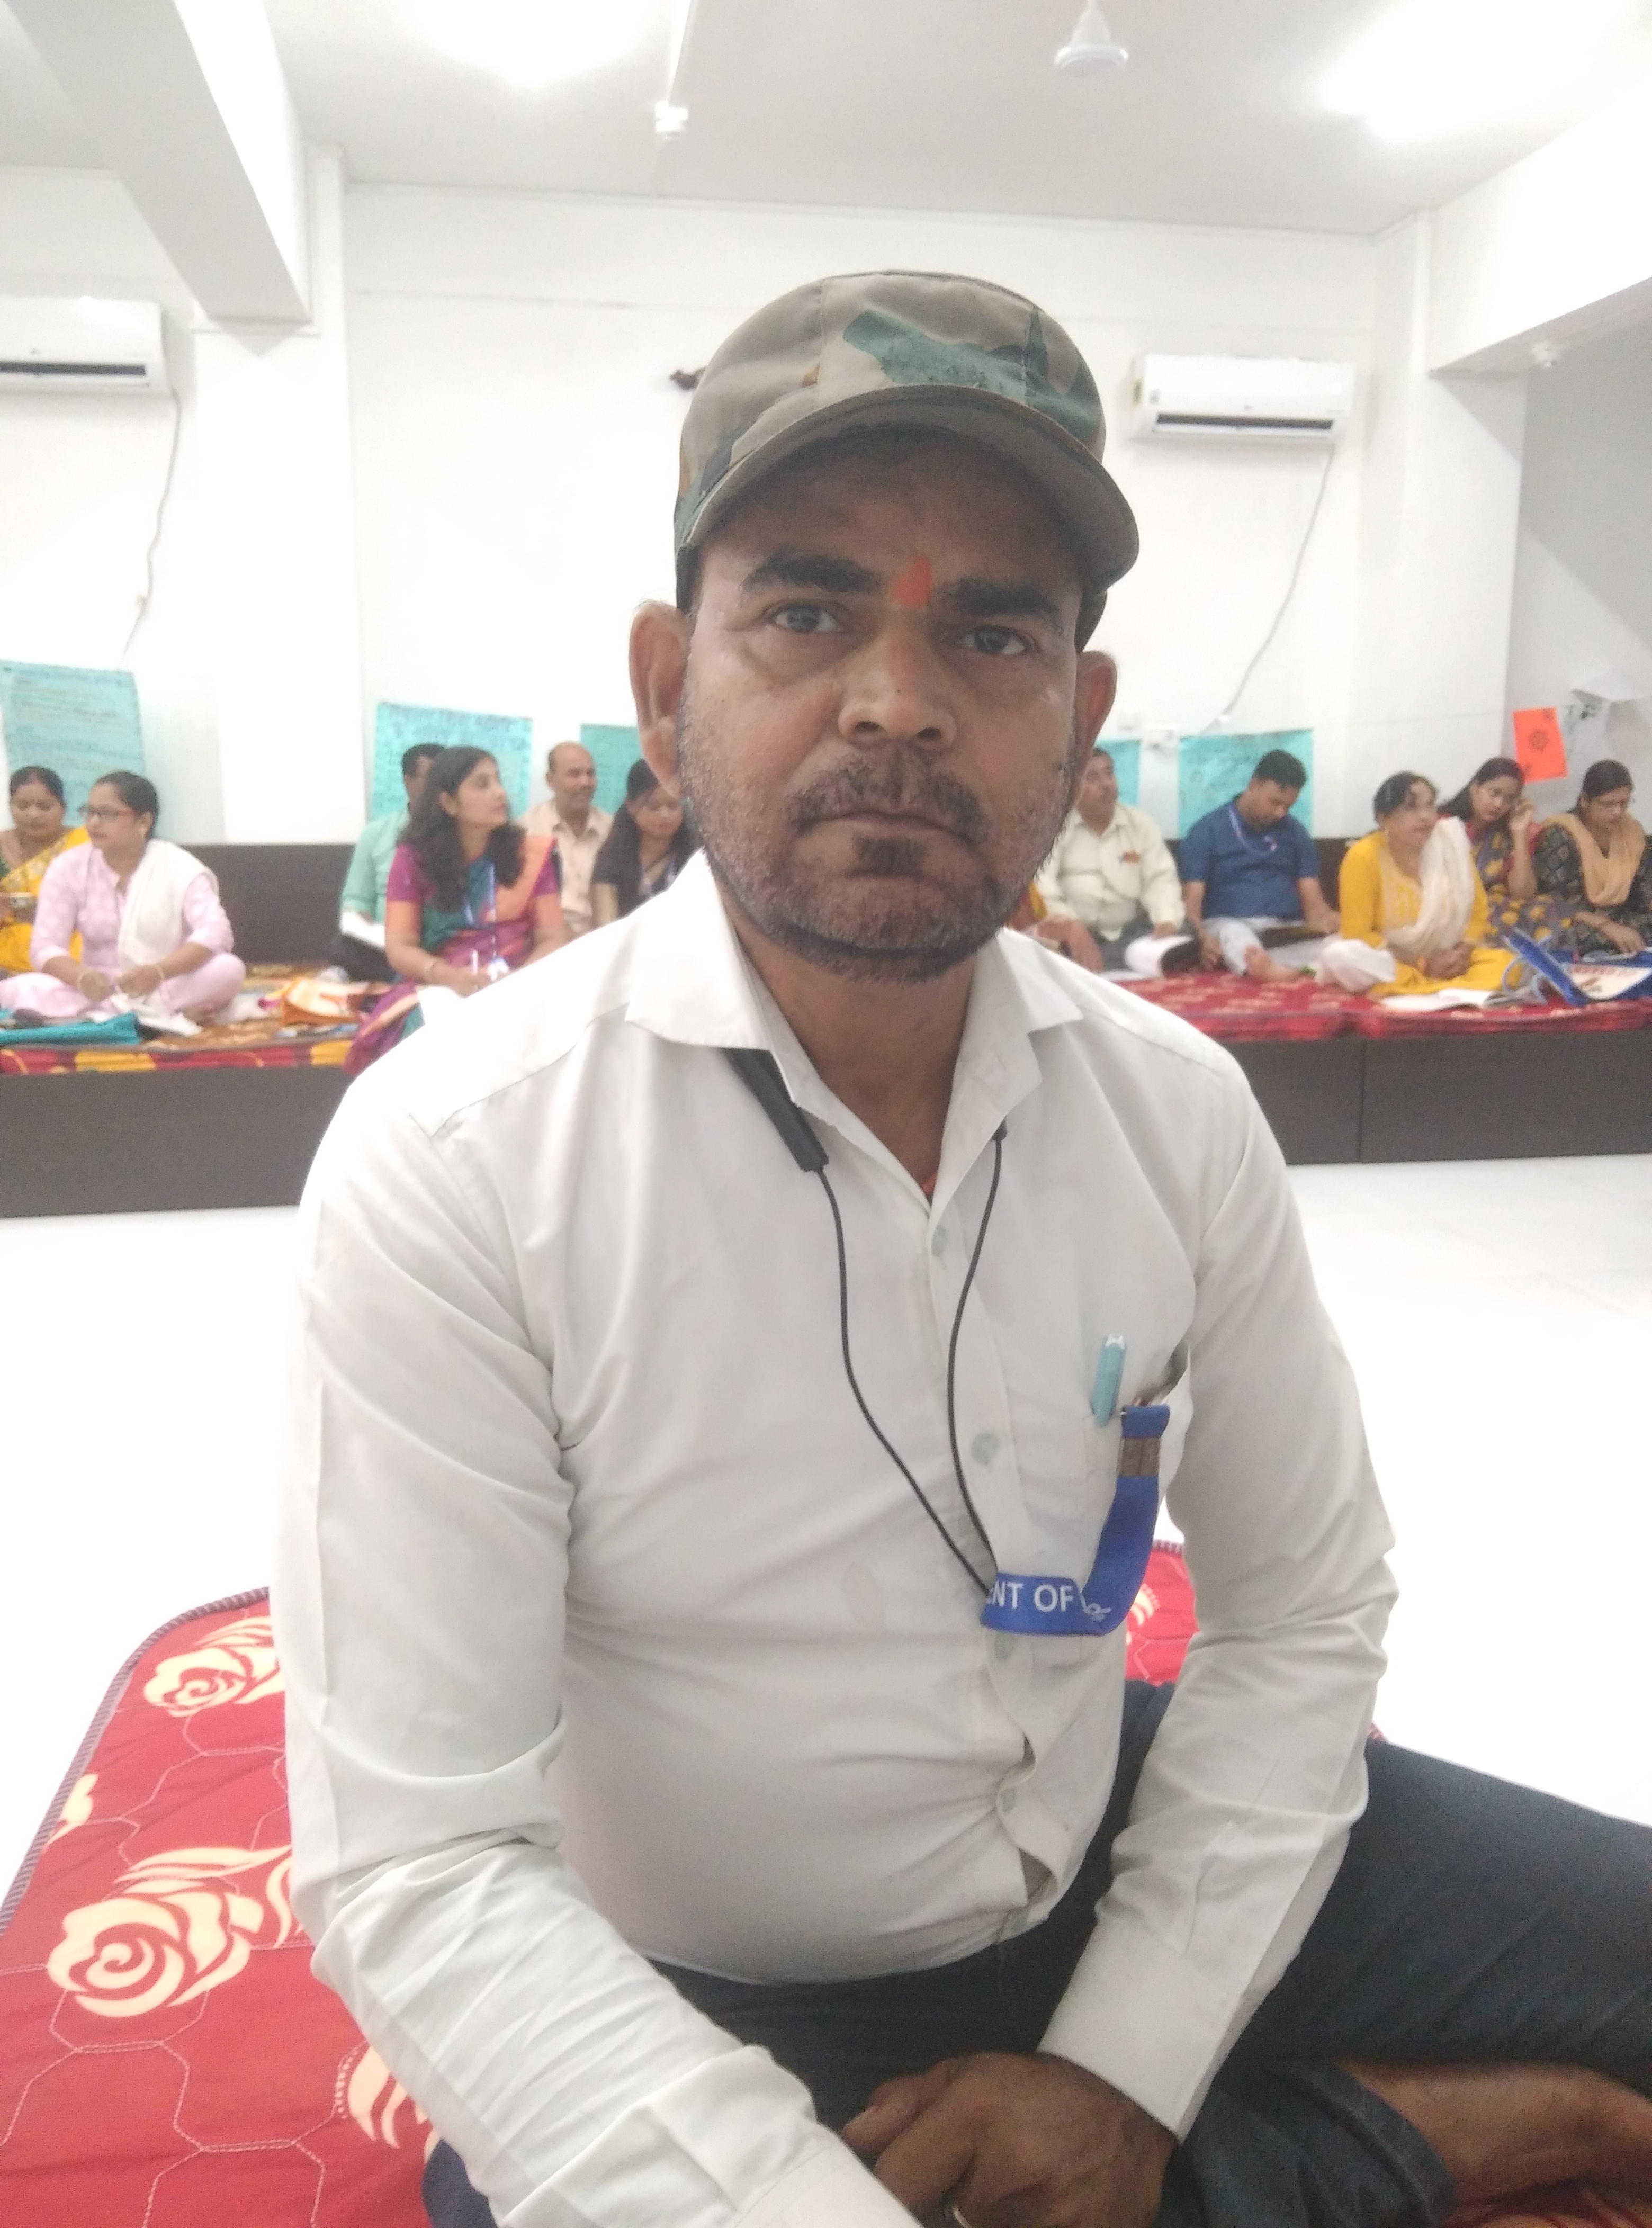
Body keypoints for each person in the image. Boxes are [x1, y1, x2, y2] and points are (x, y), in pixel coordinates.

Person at [276, 272, 1652, 2228]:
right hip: (712, 1971)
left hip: (1102, 1822)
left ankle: (1256, 2130)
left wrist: (1122, 2063)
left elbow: (1300, 1606)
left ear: (1078, 720)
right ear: (666, 682)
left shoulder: (1171, 1111)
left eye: (992, 632)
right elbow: (418, 1857)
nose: (897, 701)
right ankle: (1439, 2134)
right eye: (805, 610)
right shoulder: (464, 1156)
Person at [345, 744, 568, 1073]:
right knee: (424, 1037)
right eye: (482, 784)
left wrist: (519, 981)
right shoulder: (414, 859)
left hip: (521, 983)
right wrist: (451, 977)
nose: (500, 793)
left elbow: (553, 937)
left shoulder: (530, 854)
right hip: (439, 985)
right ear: (448, 803)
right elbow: (400, 947)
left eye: (498, 780)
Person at [0, 770, 245, 1026]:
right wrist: (81, 977)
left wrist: (159, 972)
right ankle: (155, 1017)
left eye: (107, 814)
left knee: (227, 970)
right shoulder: (69, 867)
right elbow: (45, 946)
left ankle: (106, 1018)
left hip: (166, 981)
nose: (93, 823)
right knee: (19, 988)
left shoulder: (179, 868)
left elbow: (216, 932)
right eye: (90, 812)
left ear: (143, 822)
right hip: (96, 989)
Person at [1319, 773, 1517, 999]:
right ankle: (1440, 986)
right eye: (1411, 808)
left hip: (1449, 959)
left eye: (1430, 806)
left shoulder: (1450, 845)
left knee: (1509, 965)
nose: (1425, 816)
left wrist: (1462, 953)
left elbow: (1478, 912)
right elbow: (1358, 933)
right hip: (1395, 959)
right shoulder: (1363, 857)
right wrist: (1423, 963)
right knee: (1341, 955)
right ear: (1384, 819)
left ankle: (1428, 987)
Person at [1177, 749, 1340, 982]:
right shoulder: (1206, 832)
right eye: (1275, 803)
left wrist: (1329, 919)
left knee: (1339, 946)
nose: (1280, 813)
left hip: (1285, 932)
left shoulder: (1296, 833)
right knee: (1233, 934)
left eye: (1288, 807)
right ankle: (1269, 968)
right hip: (1228, 925)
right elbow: (1191, 903)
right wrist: (1201, 938)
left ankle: (1275, 967)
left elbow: (1314, 904)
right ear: (1253, 785)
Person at [1031, 745, 1184, 972]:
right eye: (1092, 778)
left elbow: (1161, 879)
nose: (1106, 785)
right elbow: (1042, 883)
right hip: (1073, 935)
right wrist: (1070, 925)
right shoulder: (1055, 828)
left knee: (1183, 933)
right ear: (1073, 787)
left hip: (1131, 934)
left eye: (1109, 773)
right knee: (1042, 945)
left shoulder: (1140, 826)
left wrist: (1166, 920)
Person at [333, 742, 442, 981]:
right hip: (387, 942)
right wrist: (360, 918)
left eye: (445, 780)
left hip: (440, 941)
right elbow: (356, 899)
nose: (439, 788)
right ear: (408, 782)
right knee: (343, 948)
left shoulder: (462, 835)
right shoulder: (376, 833)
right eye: (430, 778)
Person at [1438, 756, 1569, 946]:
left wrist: (1519, 833)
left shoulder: (1505, 833)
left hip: (1490, 906)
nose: (1499, 804)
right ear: (1475, 788)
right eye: (1494, 793)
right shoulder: (1443, 825)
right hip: (1450, 907)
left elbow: (1523, 893)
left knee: (1546, 908)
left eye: (1509, 799)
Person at [1533, 759, 1652, 956]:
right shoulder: (1561, 834)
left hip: (1623, 919)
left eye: (1624, 803)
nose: (1617, 812)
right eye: (1608, 804)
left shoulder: (1631, 832)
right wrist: (1607, 927)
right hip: (1578, 921)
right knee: (1566, 936)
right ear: (1585, 801)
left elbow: (1644, 892)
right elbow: (1553, 901)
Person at [0, 765, 88, 975]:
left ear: (63, 808)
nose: (33, 814)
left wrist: (47, 911)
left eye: (44, 807)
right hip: (11, 943)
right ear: (10, 806)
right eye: (22, 806)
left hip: (71, 935)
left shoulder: (84, 843)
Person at [588, 758, 699, 924]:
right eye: (654, 807)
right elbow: (606, 928)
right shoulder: (613, 861)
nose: (664, 815)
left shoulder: (697, 858)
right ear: (631, 806)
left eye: (673, 806)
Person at [520, 741, 613, 937]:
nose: (585, 782)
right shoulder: (527, 831)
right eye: (574, 774)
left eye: (591, 774)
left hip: (604, 940)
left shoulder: (612, 831)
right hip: (547, 941)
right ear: (550, 780)